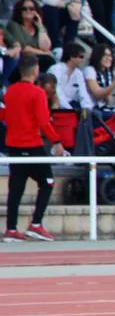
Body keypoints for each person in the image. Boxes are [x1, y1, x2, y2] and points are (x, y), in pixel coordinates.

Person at [3, 55, 66, 242]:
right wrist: (56, 141)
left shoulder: (10, 91)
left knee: (16, 188)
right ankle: (36, 224)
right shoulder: (37, 93)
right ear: (36, 70)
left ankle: (11, 229)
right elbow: (43, 121)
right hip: (31, 145)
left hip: (13, 145)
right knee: (47, 182)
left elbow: (5, 117)